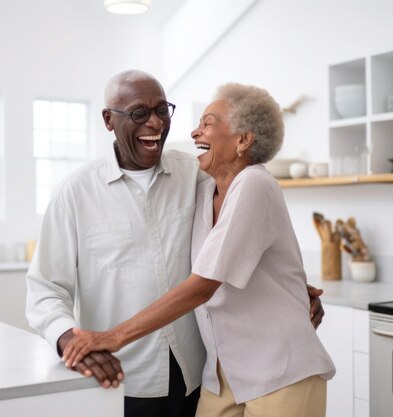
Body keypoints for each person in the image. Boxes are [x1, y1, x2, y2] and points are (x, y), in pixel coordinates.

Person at [26, 71, 325, 417]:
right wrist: (71, 340)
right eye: (139, 112)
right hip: (122, 374)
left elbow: (238, 239)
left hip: (195, 374)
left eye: (162, 110)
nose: (155, 122)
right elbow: (45, 288)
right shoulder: (75, 193)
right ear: (109, 120)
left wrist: (289, 289)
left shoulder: (195, 174)